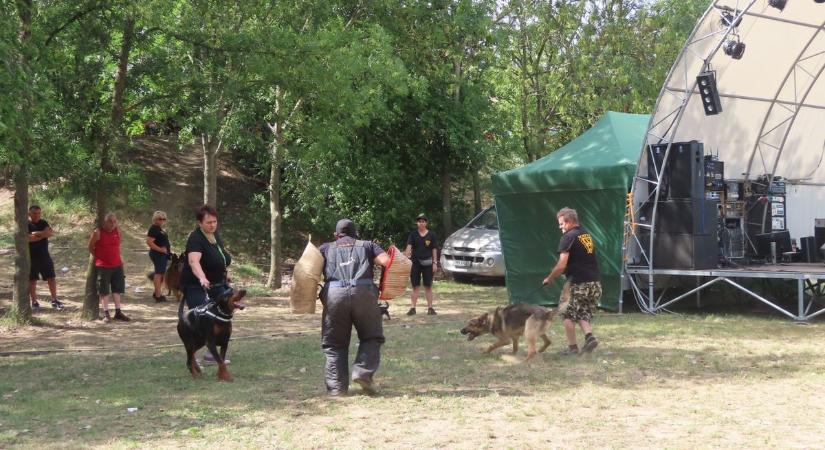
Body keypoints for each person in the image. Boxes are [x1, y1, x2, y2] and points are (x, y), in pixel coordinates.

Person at [319, 219, 390, 396]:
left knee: (334, 344)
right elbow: (386, 261)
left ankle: (336, 389)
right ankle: (363, 373)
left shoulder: (326, 248)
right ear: (355, 233)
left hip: (334, 295)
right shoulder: (367, 245)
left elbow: (307, 270)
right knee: (371, 337)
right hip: (364, 294)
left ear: (336, 235)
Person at [542, 207, 601, 355]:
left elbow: (562, 264)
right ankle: (590, 337)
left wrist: (549, 278)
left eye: (561, 223)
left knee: (567, 314)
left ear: (568, 222)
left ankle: (572, 348)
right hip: (595, 283)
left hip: (578, 282)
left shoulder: (568, 237)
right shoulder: (585, 234)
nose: (560, 226)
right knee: (582, 313)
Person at [179, 205, 232, 363]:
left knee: (223, 315)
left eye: (214, 221)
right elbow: (193, 261)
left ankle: (212, 352)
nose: (212, 225)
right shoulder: (195, 238)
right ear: (199, 223)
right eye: (208, 222)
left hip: (217, 284)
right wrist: (202, 278)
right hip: (196, 285)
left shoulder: (214, 235)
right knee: (203, 319)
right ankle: (193, 358)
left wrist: (225, 272)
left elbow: (220, 256)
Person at [88, 213, 130, 323]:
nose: (113, 224)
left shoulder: (117, 231)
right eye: (110, 221)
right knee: (104, 290)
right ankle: (106, 314)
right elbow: (90, 247)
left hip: (117, 265)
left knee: (117, 289)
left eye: (114, 221)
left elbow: (117, 245)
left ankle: (118, 312)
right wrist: (100, 257)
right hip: (103, 266)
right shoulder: (98, 232)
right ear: (105, 222)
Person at [27, 205, 63, 310]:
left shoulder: (43, 222)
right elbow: (28, 239)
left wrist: (37, 234)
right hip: (32, 257)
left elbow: (50, 233)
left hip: (45, 256)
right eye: (34, 213)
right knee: (32, 280)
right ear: (29, 214)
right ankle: (34, 302)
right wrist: (42, 235)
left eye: (39, 213)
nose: (37, 215)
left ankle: (54, 300)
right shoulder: (26, 224)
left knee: (51, 278)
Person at [404, 213, 439, 316]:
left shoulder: (431, 235)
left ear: (426, 223)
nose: (421, 223)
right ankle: (412, 308)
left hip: (428, 263)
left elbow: (434, 249)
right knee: (415, 286)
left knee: (428, 286)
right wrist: (405, 259)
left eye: (423, 221)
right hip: (415, 263)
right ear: (417, 223)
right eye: (419, 221)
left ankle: (430, 308)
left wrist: (435, 263)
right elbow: (409, 248)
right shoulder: (413, 234)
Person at [146, 210, 171, 303]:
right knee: (159, 273)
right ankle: (158, 296)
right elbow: (149, 242)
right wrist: (160, 249)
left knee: (161, 273)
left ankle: (157, 292)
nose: (162, 221)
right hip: (157, 254)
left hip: (162, 254)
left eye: (164, 219)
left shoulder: (159, 229)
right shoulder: (154, 228)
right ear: (155, 219)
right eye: (160, 219)